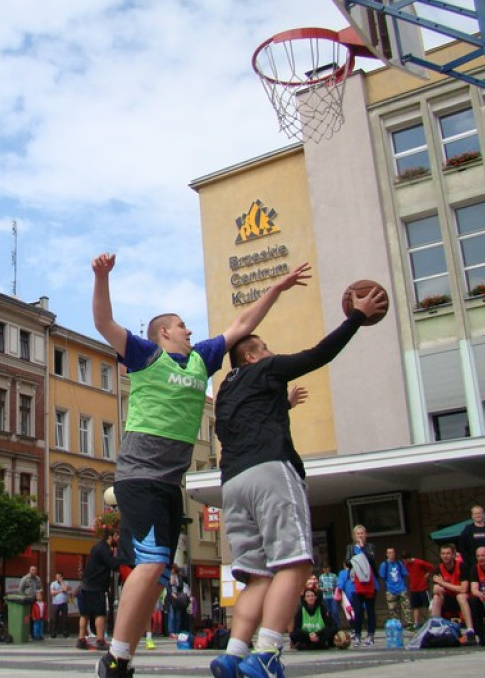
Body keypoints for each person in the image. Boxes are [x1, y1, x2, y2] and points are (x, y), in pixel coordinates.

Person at [92, 252, 314, 678]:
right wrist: (102, 277)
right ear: (163, 333)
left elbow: (242, 325)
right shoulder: (144, 355)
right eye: (181, 325)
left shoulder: (201, 359)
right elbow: (104, 323)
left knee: (157, 574)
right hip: (138, 474)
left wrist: (277, 289)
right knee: (153, 563)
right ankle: (115, 659)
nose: (190, 329)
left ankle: (121, 658)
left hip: (171, 481)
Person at [210, 281, 387, 678]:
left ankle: (233, 654)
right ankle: (268, 652)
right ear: (252, 355)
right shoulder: (266, 367)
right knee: (295, 563)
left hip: (233, 484)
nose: (272, 352)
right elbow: (318, 355)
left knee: (256, 578)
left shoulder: (225, 392)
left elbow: (251, 420)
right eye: (266, 347)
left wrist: (282, 402)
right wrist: (357, 316)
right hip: (271, 473)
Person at [76, 528, 120, 652]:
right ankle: (100, 640)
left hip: (86, 584)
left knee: (84, 614)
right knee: (99, 613)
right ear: (110, 537)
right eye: (116, 536)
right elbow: (113, 564)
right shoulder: (105, 549)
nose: (118, 539)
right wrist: (120, 557)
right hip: (97, 586)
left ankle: (81, 640)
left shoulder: (96, 547)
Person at [429, 543, 475, 642]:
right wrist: (436, 587)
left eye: (448, 553)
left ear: (453, 555)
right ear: (440, 555)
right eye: (443, 554)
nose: (445, 556)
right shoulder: (438, 569)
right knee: (436, 596)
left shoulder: (462, 566)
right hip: (448, 598)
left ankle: (470, 630)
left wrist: (443, 583)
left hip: (464, 598)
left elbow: (463, 588)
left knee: (460, 596)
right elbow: (435, 587)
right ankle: (435, 629)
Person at [345, 525, 378, 648]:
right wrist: (356, 557)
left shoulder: (370, 547)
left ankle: (370, 635)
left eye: (362, 533)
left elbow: (372, 558)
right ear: (354, 536)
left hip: (370, 581)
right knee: (358, 611)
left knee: (370, 610)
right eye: (358, 534)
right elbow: (348, 562)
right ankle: (357, 635)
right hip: (356, 582)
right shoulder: (350, 547)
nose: (360, 536)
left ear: (366, 534)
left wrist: (362, 548)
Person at [379, 547, 411, 629]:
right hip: (390, 589)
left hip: (401, 588)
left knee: (406, 607)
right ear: (387, 554)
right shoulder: (384, 565)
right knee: (393, 609)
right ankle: (397, 625)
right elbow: (382, 576)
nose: (391, 554)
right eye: (389, 553)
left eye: (392, 552)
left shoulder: (399, 563)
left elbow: (405, 574)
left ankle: (409, 624)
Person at [402, 551, 435, 629]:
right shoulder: (406, 565)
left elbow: (431, 567)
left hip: (422, 587)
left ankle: (429, 621)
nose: (404, 562)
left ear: (407, 558)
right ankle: (416, 622)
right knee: (415, 606)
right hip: (413, 588)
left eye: (404, 560)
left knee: (426, 605)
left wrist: (425, 576)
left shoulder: (419, 562)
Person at [167, 565, 188, 635]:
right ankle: (171, 631)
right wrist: (171, 593)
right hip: (171, 598)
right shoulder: (168, 576)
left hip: (178, 597)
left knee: (178, 616)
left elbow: (181, 586)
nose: (171, 571)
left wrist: (176, 584)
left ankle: (177, 631)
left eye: (172, 569)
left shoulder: (179, 577)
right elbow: (167, 587)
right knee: (171, 615)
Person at [49, 571, 70, 638]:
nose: (57, 578)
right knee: (55, 619)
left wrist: (61, 582)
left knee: (65, 619)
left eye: (59, 576)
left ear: (62, 577)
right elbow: (52, 593)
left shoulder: (65, 582)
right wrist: (60, 591)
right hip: (56, 603)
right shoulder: (53, 583)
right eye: (57, 576)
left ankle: (65, 633)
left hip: (64, 603)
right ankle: (54, 633)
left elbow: (66, 589)